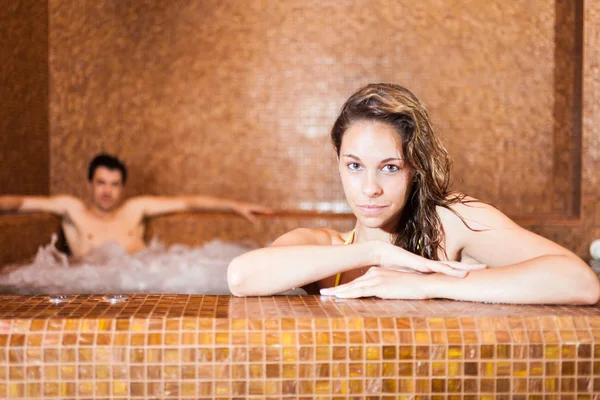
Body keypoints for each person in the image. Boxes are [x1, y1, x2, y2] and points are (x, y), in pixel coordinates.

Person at [227, 83, 600, 304]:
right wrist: (374, 251)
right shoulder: (327, 247)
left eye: (390, 167)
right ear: (339, 164)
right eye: (354, 166)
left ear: (415, 168)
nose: (370, 188)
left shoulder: (450, 222)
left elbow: (579, 282)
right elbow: (241, 277)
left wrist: (427, 285)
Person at [0, 154, 272, 258]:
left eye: (114, 184)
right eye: (101, 183)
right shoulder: (72, 209)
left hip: (141, 282)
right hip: (87, 288)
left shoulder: (135, 209)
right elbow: (22, 202)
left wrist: (235, 206)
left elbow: (187, 201)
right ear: (89, 185)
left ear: (123, 188)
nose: (107, 191)